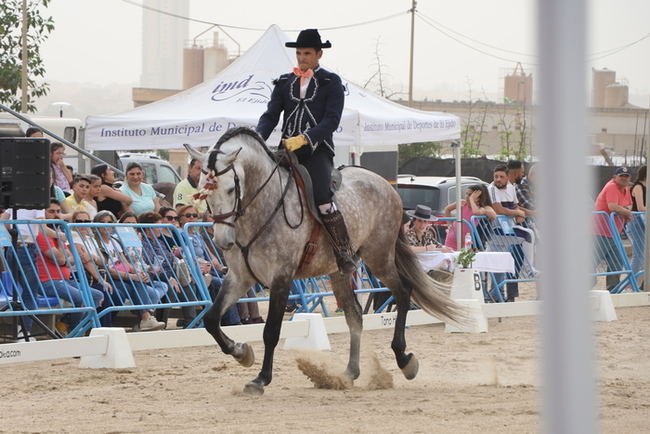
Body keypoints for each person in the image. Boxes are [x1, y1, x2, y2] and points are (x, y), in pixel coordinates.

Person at [255, 28, 356, 274]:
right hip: (286, 151)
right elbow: (270, 116)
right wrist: (258, 138)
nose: (302, 58)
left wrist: (306, 138)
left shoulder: (331, 83)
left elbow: (331, 121)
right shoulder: (283, 82)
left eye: (307, 53)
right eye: (299, 53)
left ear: (319, 54)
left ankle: (343, 250)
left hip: (317, 151)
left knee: (322, 196)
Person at [35, 200, 104, 331]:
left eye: (58, 212)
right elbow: (61, 259)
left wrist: (61, 245)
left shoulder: (57, 235)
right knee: (81, 298)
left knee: (97, 295)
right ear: (43, 215)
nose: (56, 215)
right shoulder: (41, 234)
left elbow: (72, 259)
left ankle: (68, 325)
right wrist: (65, 256)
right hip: (48, 281)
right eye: (51, 212)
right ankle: (75, 330)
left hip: (65, 280)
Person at [93, 210, 166, 331]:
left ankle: (145, 319)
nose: (106, 225)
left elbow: (126, 263)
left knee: (139, 282)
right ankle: (146, 318)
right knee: (136, 284)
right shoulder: (95, 243)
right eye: (102, 222)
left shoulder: (114, 241)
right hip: (109, 277)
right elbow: (107, 270)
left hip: (123, 276)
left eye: (109, 222)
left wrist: (139, 273)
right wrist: (132, 277)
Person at [178, 205, 240, 325]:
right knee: (223, 284)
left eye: (194, 216)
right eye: (188, 216)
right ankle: (232, 321)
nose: (192, 218)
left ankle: (231, 318)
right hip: (195, 271)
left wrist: (219, 267)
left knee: (231, 281)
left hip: (208, 270)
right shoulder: (180, 234)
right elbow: (184, 255)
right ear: (181, 219)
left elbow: (209, 254)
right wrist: (202, 264)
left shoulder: (197, 235)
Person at [138, 211, 198, 328]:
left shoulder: (160, 242)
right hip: (154, 276)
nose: (161, 229)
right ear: (148, 229)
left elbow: (170, 260)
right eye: (158, 226)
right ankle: (161, 324)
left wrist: (176, 274)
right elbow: (151, 266)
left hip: (169, 274)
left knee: (188, 283)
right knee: (170, 288)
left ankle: (191, 322)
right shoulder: (143, 243)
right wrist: (169, 278)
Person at [487, 165, 527, 302]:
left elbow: (515, 204)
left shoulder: (511, 187)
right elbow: (498, 209)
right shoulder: (491, 188)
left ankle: (507, 295)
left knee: (512, 263)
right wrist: (517, 213)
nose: (498, 179)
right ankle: (496, 294)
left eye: (501, 177)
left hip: (511, 232)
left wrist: (519, 216)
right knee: (497, 264)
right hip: (496, 232)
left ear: (507, 177)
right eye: (496, 176)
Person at [593, 167, 633, 291]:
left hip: (613, 232)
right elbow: (613, 206)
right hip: (599, 232)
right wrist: (626, 212)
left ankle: (613, 290)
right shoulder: (611, 186)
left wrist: (625, 211)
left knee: (616, 263)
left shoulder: (626, 188)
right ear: (614, 177)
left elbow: (629, 205)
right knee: (591, 262)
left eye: (626, 176)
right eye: (621, 176)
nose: (624, 178)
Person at [443, 184, 497, 250]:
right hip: (452, 238)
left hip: (468, 241)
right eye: (466, 194)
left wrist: (472, 200)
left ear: (479, 198)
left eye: (470, 195)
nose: (467, 197)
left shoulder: (483, 208)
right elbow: (447, 209)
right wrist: (449, 225)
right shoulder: (462, 203)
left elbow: (476, 212)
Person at [629, 165, 646, 283]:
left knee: (643, 254)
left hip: (644, 221)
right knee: (638, 253)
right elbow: (640, 207)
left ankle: (641, 281)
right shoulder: (638, 187)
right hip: (637, 221)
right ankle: (632, 282)